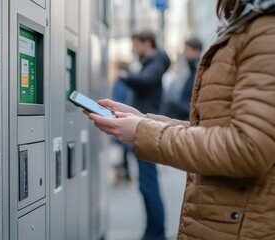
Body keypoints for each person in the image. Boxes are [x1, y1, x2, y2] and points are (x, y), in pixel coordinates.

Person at [84, 0, 275, 239]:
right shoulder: (250, 24)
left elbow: (249, 148)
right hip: (225, 219)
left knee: (149, 187)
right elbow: (210, 129)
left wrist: (143, 131)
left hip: (236, 224)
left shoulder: (265, 29)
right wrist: (144, 120)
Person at [117, 30, 171, 240]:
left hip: (146, 129)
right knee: (146, 184)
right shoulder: (152, 62)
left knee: (149, 185)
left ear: (147, 43)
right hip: (143, 128)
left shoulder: (156, 62)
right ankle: (154, 231)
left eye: (136, 45)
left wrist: (125, 76)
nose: (133, 49)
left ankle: (155, 233)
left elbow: (145, 81)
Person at [161, 38, 203, 120]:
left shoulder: (199, 70)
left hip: (189, 112)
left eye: (187, 51)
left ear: (196, 51)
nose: (184, 54)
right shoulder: (193, 69)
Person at [111, 61, 132, 182]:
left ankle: (121, 171)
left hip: (119, 115)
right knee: (124, 148)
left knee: (121, 145)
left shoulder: (120, 81)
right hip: (128, 114)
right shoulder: (130, 80)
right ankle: (126, 173)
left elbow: (117, 97)